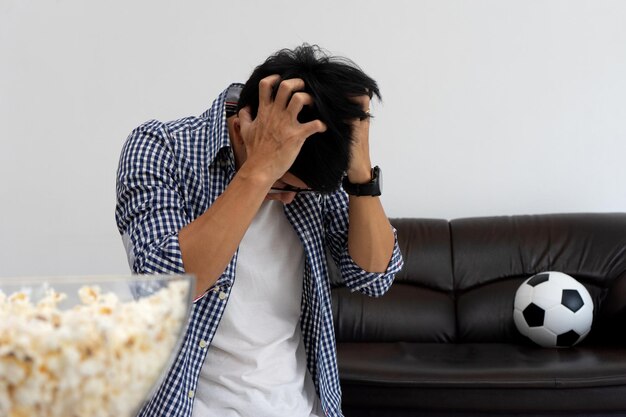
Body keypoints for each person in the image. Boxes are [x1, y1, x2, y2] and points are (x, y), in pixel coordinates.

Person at [115, 44, 403, 417]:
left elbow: (373, 278)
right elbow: (164, 287)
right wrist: (261, 168)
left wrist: (360, 167)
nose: (287, 200)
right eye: (283, 186)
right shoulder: (161, 148)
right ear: (239, 126)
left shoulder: (310, 164)